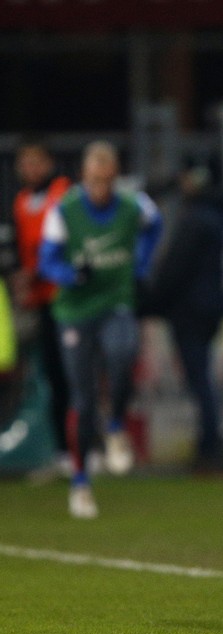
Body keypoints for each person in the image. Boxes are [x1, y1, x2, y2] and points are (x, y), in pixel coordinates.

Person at [38, 140, 162, 518]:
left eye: (107, 179)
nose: (101, 187)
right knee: (83, 398)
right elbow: (46, 260)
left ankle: (116, 425)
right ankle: (80, 481)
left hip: (115, 302)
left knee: (124, 355)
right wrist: (71, 274)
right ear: (84, 176)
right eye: (94, 179)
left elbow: (155, 226)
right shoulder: (65, 210)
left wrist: (140, 264)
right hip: (75, 311)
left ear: (115, 176)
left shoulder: (134, 205)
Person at [142, 161, 223, 471]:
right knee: (202, 376)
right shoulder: (217, 217)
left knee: (199, 378)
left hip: (191, 311)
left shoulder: (196, 220)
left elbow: (176, 269)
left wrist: (151, 302)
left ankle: (209, 447)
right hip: (210, 308)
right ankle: (210, 443)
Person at [11, 139, 72, 471]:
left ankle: (87, 446)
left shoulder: (64, 194)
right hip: (39, 301)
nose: (30, 169)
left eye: (36, 161)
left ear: (49, 163)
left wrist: (37, 271)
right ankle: (61, 451)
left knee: (74, 374)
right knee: (50, 374)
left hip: (67, 297)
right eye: (25, 163)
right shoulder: (22, 201)